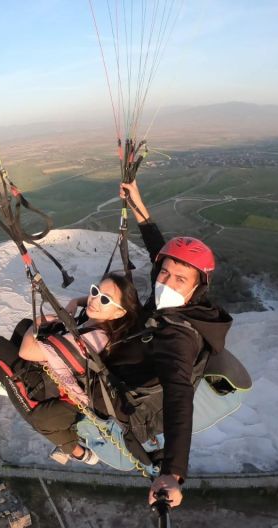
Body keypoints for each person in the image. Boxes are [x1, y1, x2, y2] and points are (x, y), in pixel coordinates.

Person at [103, 180, 233, 508]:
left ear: (197, 288)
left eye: (179, 280)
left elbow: (178, 396)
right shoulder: (174, 301)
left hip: (128, 382)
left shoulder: (180, 335)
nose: (166, 282)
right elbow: (158, 251)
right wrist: (139, 205)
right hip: (133, 345)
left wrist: (174, 472)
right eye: (164, 274)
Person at [0, 273, 142, 465]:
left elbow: (26, 351)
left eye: (105, 299)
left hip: (65, 394)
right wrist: (76, 301)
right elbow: (100, 303)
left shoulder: (92, 339)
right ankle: (12, 375)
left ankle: (78, 452)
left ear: (119, 312)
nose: (94, 300)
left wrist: (38, 324)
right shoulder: (110, 322)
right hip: (68, 372)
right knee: (22, 326)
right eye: (95, 291)